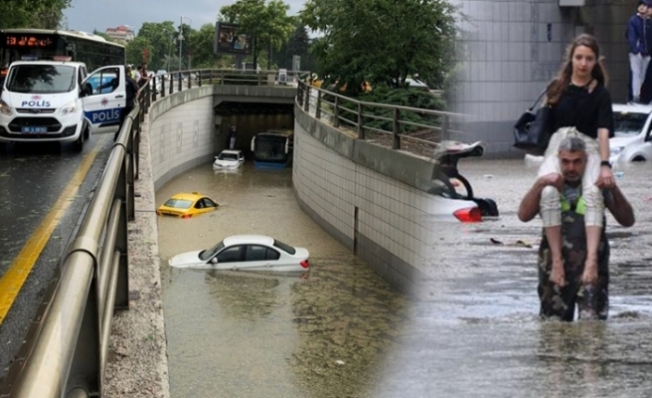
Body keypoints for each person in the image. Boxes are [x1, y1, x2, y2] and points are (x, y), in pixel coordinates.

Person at [518, 136, 635, 321]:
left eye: (577, 162)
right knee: (553, 329)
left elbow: (628, 220)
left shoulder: (596, 185)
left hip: (592, 270)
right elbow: (523, 216)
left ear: (586, 160)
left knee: (593, 329)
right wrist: (540, 183)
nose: (571, 168)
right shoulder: (549, 186)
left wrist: (613, 189)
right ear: (558, 160)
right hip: (555, 270)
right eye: (566, 162)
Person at [537, 33, 615, 302]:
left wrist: (605, 165)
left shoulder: (600, 93)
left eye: (589, 59)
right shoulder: (556, 88)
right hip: (558, 146)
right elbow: (546, 132)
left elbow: (603, 134)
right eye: (579, 57)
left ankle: (592, 260)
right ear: (571, 59)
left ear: (596, 61)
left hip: (589, 148)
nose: (583, 63)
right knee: (547, 193)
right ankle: (556, 261)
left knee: (594, 194)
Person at [627, 0, 651, 103]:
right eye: (640, 5)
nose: (642, 7)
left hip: (646, 53)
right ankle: (636, 96)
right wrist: (636, 50)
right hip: (637, 52)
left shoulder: (648, 21)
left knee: (642, 75)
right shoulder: (634, 20)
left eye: (644, 5)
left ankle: (639, 96)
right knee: (636, 73)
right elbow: (631, 36)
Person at [115, 65, 140, 142]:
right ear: (128, 72)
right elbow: (137, 91)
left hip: (120, 104)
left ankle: (118, 137)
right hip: (129, 104)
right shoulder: (131, 81)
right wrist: (136, 99)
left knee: (122, 121)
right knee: (129, 121)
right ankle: (130, 138)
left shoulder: (119, 81)